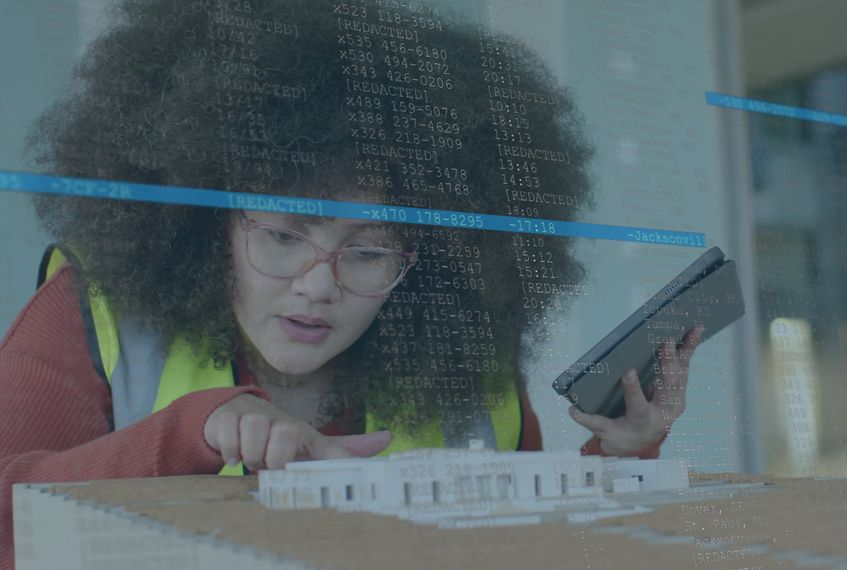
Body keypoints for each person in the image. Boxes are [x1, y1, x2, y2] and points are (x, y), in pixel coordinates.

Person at [0, 0, 703, 567]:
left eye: (367, 253)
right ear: (209, 221)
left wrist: (621, 455)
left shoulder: (467, 373)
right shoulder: (92, 314)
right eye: (282, 237)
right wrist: (198, 429)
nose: (317, 287)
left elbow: (526, 548)